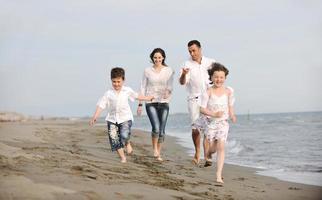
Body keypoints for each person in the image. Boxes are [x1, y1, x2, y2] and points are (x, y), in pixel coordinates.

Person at [90, 67, 154, 163]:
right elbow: (101, 105)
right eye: (114, 81)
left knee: (124, 135)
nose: (116, 84)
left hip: (125, 118)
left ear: (123, 80)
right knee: (114, 139)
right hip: (112, 119)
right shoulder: (108, 93)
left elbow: (137, 96)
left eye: (118, 81)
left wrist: (147, 98)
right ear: (111, 81)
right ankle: (123, 157)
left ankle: (127, 142)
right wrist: (95, 116)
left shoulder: (127, 90)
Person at [179, 40, 216, 165]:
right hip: (194, 98)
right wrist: (184, 74)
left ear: (200, 49)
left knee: (208, 128)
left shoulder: (211, 62)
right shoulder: (186, 64)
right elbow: (182, 82)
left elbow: (218, 77)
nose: (192, 53)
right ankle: (197, 151)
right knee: (195, 129)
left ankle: (206, 156)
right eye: (190, 51)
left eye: (194, 50)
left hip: (208, 98)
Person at [200, 62, 237, 183]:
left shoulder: (228, 91)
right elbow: (201, 108)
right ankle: (209, 154)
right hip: (210, 122)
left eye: (221, 77)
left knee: (221, 146)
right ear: (211, 77)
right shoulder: (208, 92)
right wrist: (213, 114)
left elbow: (230, 105)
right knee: (212, 148)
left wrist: (232, 114)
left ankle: (218, 175)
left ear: (225, 78)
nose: (218, 79)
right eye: (216, 77)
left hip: (223, 123)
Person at [137, 48, 174, 161]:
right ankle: (154, 150)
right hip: (150, 102)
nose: (157, 59)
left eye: (159, 57)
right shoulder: (147, 71)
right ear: (152, 58)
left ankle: (158, 152)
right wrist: (140, 104)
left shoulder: (169, 70)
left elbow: (170, 86)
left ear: (163, 58)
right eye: (155, 58)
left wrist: (168, 92)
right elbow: (142, 87)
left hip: (164, 102)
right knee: (156, 128)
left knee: (162, 131)